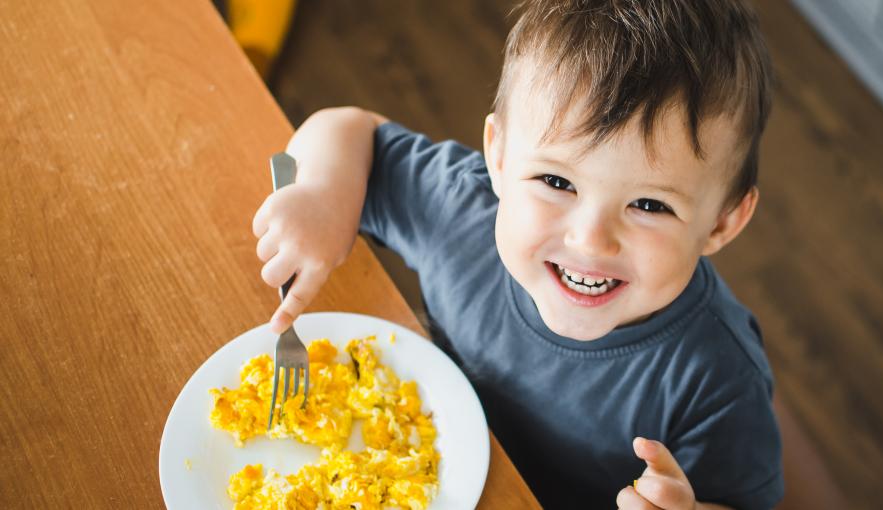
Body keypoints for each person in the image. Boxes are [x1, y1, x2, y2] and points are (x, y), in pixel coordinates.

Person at [251, 0, 781, 507]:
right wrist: (322, 194)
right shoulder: (462, 210)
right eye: (556, 180)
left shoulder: (719, 378)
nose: (591, 240)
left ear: (722, 222)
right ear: (499, 157)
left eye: (648, 204)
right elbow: (348, 127)